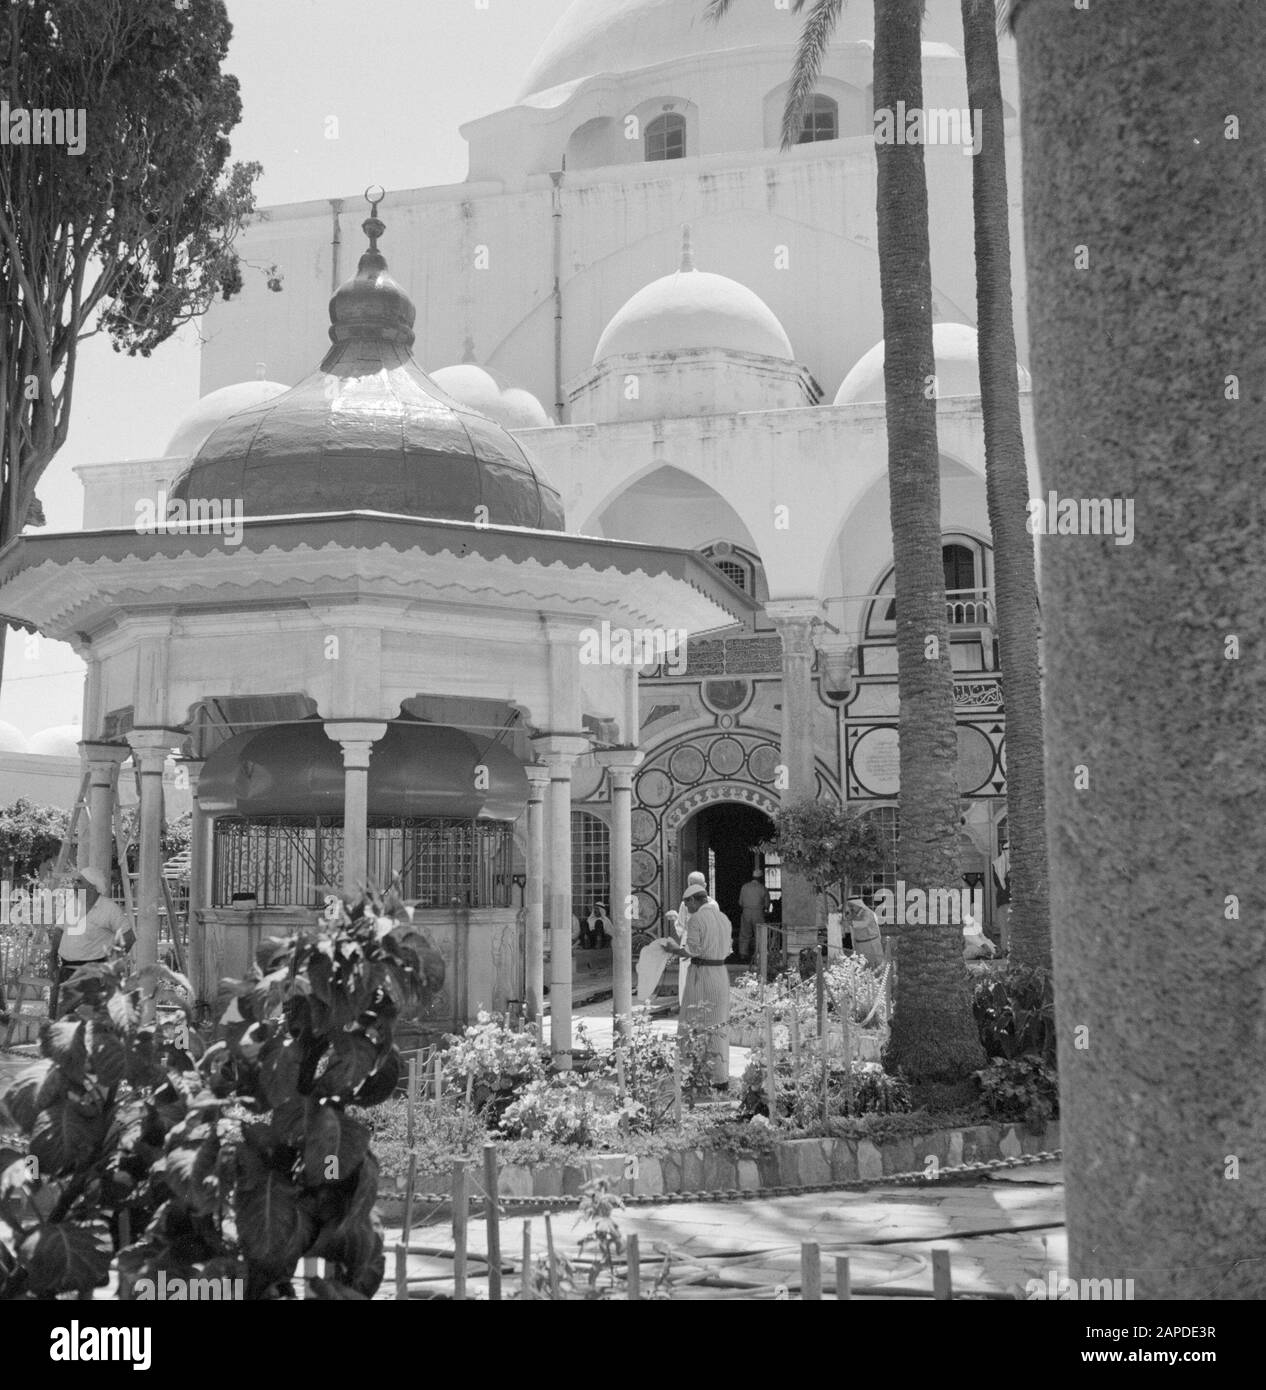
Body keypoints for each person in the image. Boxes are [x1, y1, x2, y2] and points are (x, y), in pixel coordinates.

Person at [664, 882, 731, 1089]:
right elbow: (728, 949)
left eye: (687, 903)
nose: (686, 908)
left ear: (694, 900)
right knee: (718, 1024)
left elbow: (692, 950)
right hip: (720, 975)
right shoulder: (724, 919)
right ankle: (720, 1078)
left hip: (702, 976)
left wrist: (673, 949)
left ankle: (693, 1076)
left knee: (693, 1022)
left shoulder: (696, 920)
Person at [57, 867, 132, 1005]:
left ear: (92, 887)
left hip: (93, 975)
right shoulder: (72, 904)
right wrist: (51, 960)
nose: (75, 885)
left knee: (90, 1018)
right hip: (68, 971)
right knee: (68, 1019)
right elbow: (59, 931)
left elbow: (129, 937)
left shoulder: (109, 908)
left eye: (79, 882)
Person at [846, 895, 885, 969]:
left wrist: (849, 922)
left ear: (858, 904)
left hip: (871, 944)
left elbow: (863, 924)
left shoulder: (868, 913)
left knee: (876, 967)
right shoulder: (853, 914)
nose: (851, 908)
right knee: (862, 967)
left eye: (852, 906)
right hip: (859, 945)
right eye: (850, 906)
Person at [737, 871, 769, 962]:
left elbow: (740, 902)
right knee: (759, 933)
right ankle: (759, 953)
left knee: (744, 933)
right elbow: (767, 904)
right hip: (758, 912)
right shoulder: (763, 888)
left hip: (746, 912)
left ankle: (743, 953)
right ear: (761, 878)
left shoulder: (744, 887)